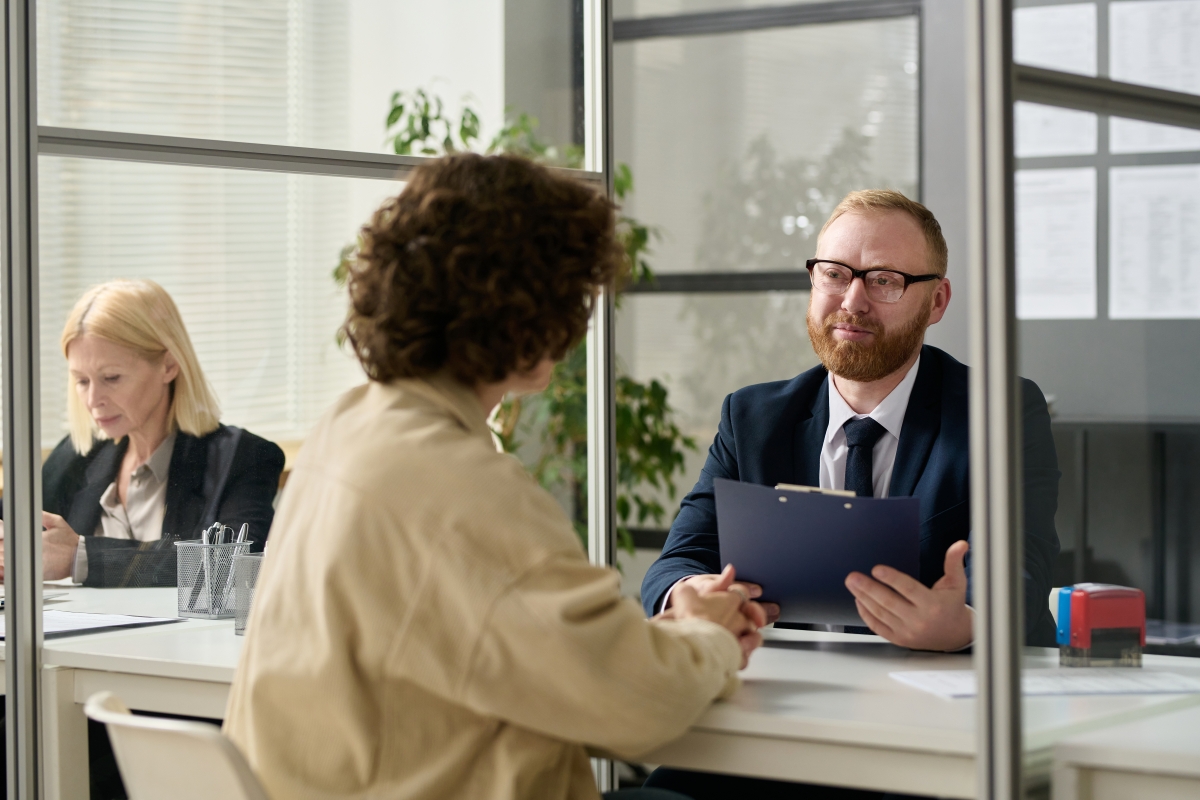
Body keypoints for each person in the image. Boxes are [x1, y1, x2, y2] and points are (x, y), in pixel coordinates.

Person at [224, 153, 766, 800]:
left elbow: (537, 651)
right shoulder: (464, 484)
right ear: (530, 311)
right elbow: (633, 706)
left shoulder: (344, 430)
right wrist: (708, 635)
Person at [639, 190, 1061, 798]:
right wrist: (691, 593)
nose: (852, 300)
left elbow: (1025, 571)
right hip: (772, 722)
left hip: (931, 738)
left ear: (936, 300)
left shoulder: (1000, 411)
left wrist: (965, 622)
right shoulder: (754, 416)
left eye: (885, 280)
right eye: (834, 274)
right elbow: (678, 560)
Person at [0, 278, 285, 588]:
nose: (93, 400)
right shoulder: (76, 455)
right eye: (81, 381)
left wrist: (81, 556)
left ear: (169, 365)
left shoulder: (243, 457)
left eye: (111, 377)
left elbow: (229, 567)